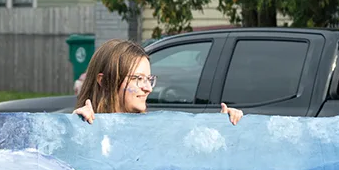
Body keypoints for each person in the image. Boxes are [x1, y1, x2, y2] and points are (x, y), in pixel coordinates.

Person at [72, 38, 243, 124]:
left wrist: (223, 128)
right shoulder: (82, 127)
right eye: (138, 79)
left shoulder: (153, 130)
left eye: (149, 79)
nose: (148, 88)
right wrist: (74, 129)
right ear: (105, 81)